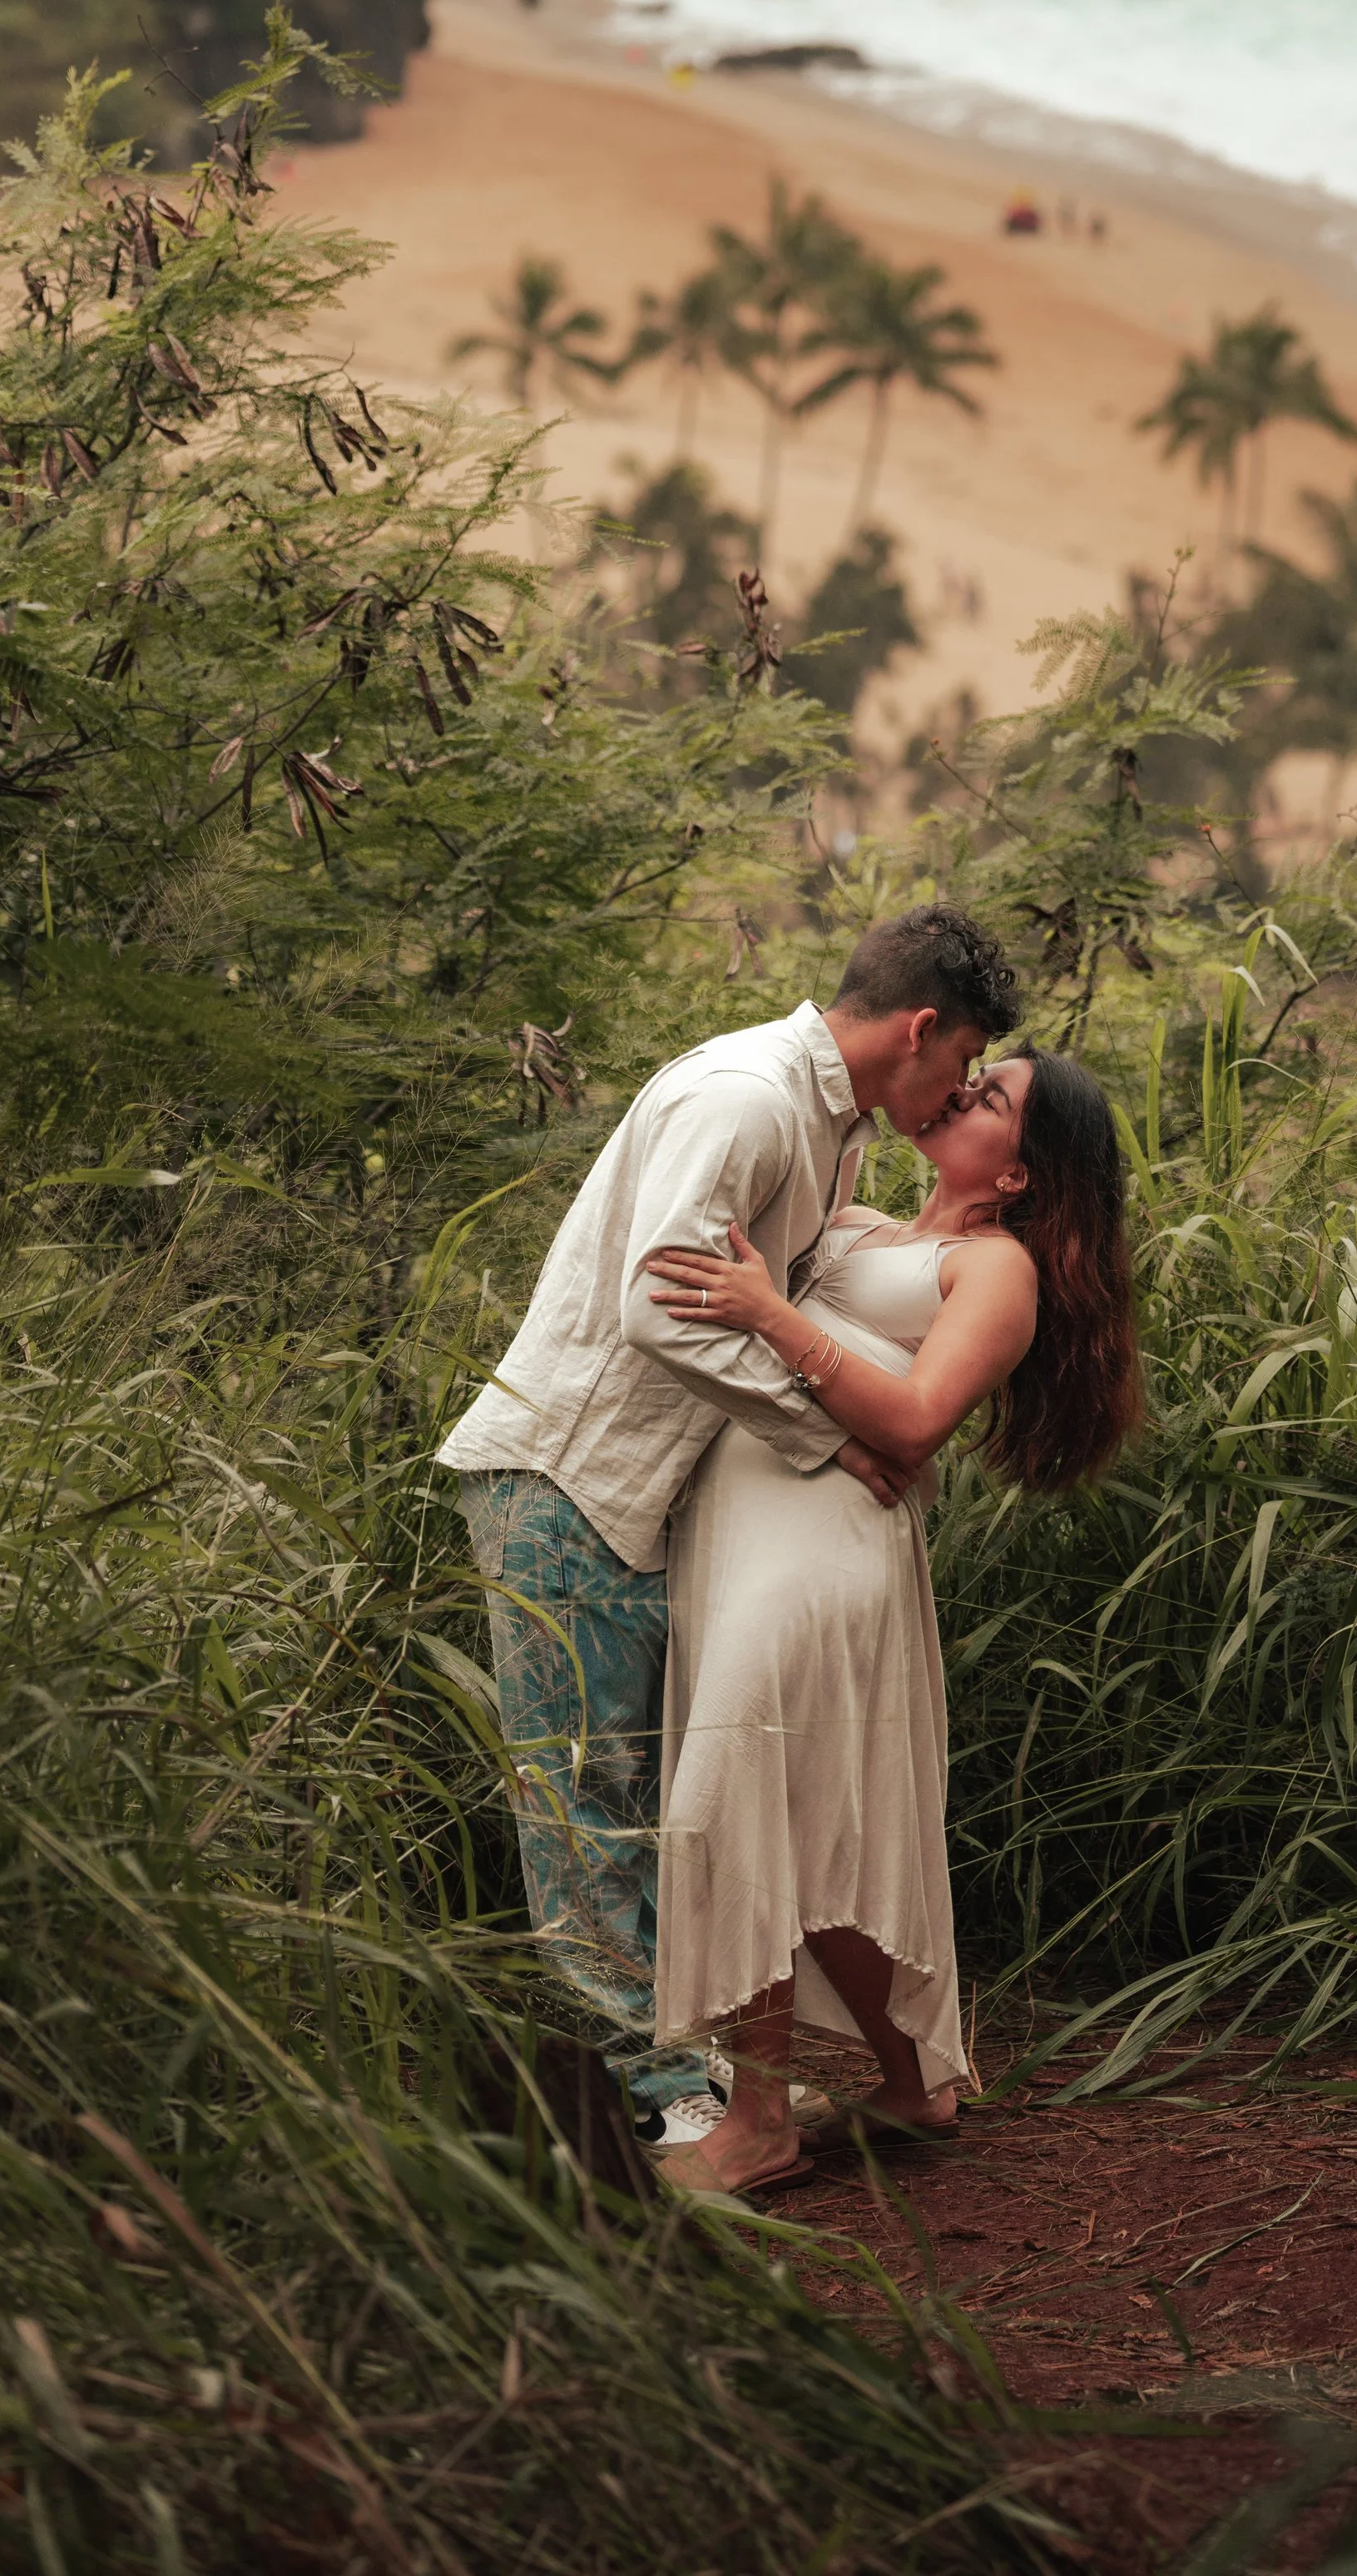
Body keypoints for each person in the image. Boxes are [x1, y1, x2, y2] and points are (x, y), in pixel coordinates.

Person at [438, 907, 1022, 2137]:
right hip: (565, 1480)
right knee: (584, 1810)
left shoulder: (836, 1137)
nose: (959, 1088)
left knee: (643, 1802)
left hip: (652, 1499)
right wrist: (833, 1437)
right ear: (920, 1029)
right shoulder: (749, 1097)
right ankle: (667, 2106)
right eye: (963, 1061)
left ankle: (692, 2077)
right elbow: (662, 1312)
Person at [641, 1046, 1142, 2191]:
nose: (965, 1092)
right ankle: (916, 2082)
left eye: (993, 1097)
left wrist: (772, 1313)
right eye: (975, 1076)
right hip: (741, 1540)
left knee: (731, 1795)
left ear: (1018, 1174)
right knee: (792, 1812)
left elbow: (914, 1421)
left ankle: (757, 2123)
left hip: (824, 1553)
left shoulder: (993, 1269)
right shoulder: (859, 1227)